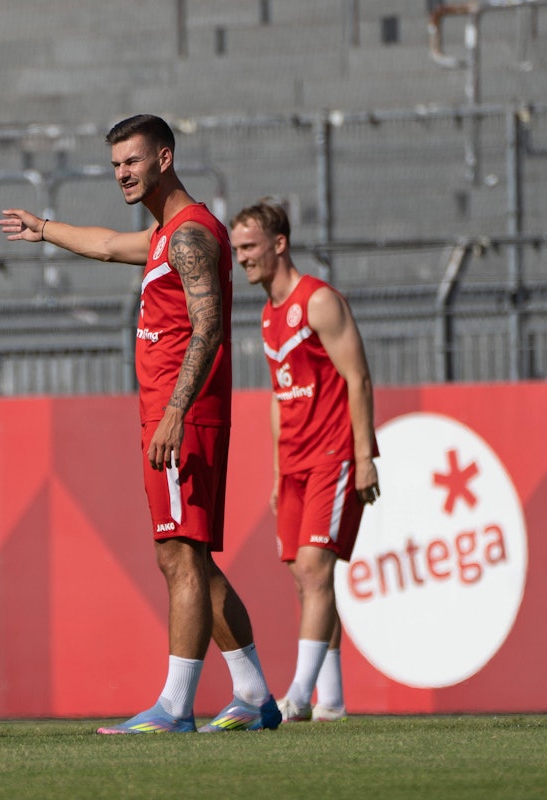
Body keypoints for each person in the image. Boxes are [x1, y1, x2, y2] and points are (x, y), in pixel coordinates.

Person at [0, 114, 281, 734]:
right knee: (192, 557)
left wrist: (176, 410)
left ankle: (176, 708)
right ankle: (255, 694)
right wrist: (43, 229)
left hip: (184, 416)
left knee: (179, 555)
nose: (121, 174)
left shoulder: (189, 237)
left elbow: (207, 330)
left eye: (131, 160)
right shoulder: (164, 236)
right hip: (170, 414)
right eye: (115, 164)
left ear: (164, 158)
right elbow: (104, 244)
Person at [230, 199, 380, 723]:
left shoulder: (318, 302)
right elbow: (279, 394)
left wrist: (364, 457)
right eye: (236, 249)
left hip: (333, 453)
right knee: (304, 578)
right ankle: (332, 700)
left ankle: (297, 694)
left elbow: (358, 377)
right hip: (293, 462)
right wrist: (276, 471)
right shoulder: (268, 313)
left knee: (316, 570)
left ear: (279, 243)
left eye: (248, 247)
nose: (241, 258)